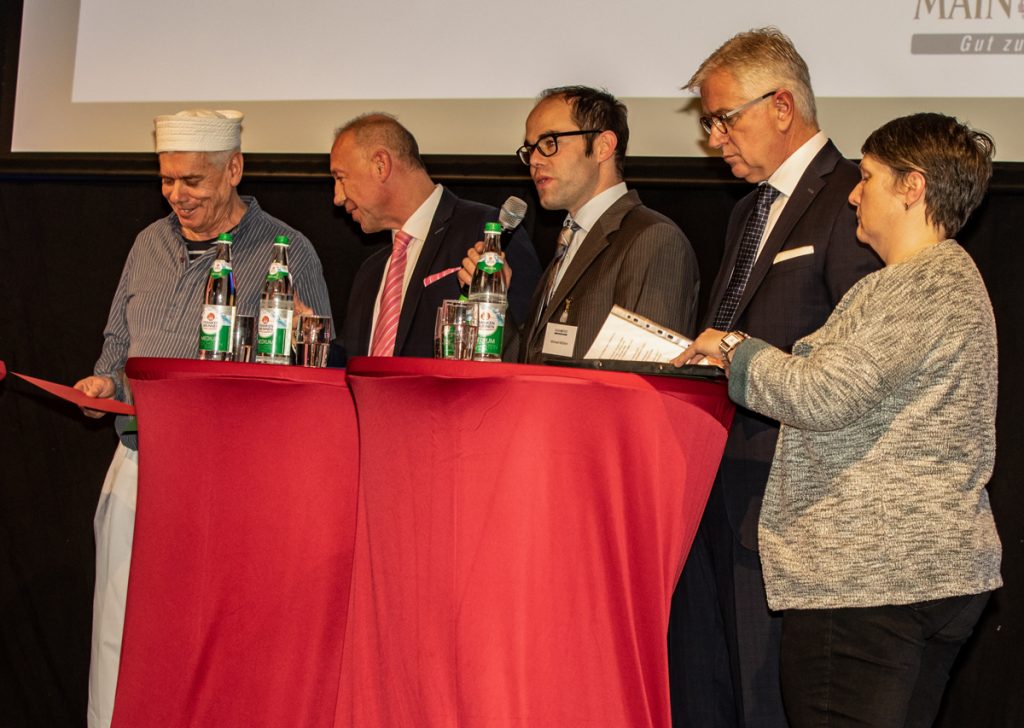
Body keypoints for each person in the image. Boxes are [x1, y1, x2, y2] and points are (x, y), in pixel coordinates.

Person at [675, 112, 1002, 728]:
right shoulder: (937, 280)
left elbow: (824, 394)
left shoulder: (919, 284)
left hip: (871, 578)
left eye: (869, 176)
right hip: (916, 574)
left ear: (912, 187)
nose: (853, 193)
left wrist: (734, 350)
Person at [73, 109, 332, 728]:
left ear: (234, 169)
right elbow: (117, 348)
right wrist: (104, 383)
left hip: (233, 481)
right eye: (167, 180)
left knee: (216, 639)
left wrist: (306, 343)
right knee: (120, 632)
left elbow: (316, 376)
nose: (176, 195)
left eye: (192, 180)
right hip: (140, 465)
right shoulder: (148, 245)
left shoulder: (286, 250)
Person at [669, 28, 883, 728]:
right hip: (721, 484)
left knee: (773, 705)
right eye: (708, 122)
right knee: (716, 694)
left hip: (794, 502)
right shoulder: (747, 209)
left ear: (782, 105)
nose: (713, 139)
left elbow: (855, 367)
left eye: (723, 118)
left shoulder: (854, 199)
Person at [460, 85, 698, 363]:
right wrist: (493, 300)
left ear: (603, 146)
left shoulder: (653, 239)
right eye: (531, 149)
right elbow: (529, 362)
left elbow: (646, 375)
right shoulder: (570, 240)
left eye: (549, 143)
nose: (534, 160)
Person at [330, 113, 540, 362]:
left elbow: (526, 348)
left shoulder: (489, 233)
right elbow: (350, 362)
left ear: (380, 165)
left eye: (340, 178)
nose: (337, 197)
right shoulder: (370, 271)